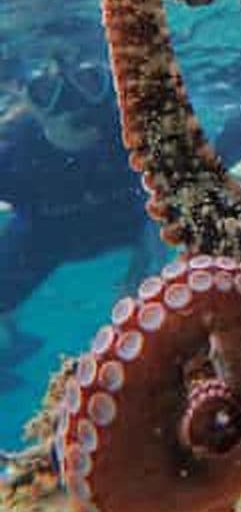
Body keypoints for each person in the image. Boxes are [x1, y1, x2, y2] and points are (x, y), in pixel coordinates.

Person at [0, 48, 157, 373]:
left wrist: (143, 263)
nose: (72, 102)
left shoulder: (131, 131)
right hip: (43, 240)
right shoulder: (12, 153)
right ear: (26, 100)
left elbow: (173, 194)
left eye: (87, 82)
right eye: (47, 91)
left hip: (126, 226)